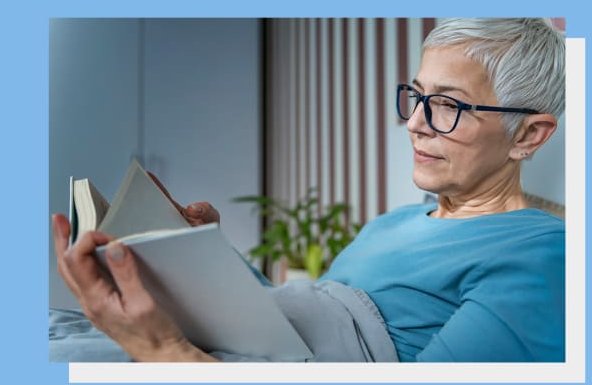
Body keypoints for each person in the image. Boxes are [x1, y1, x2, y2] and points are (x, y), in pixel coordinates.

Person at [51, 18, 565, 362]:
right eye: (416, 97)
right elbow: (279, 321)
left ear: (529, 134)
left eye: (449, 106)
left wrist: (168, 353)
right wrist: (205, 253)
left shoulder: (543, 254)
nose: (415, 124)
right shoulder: (395, 222)